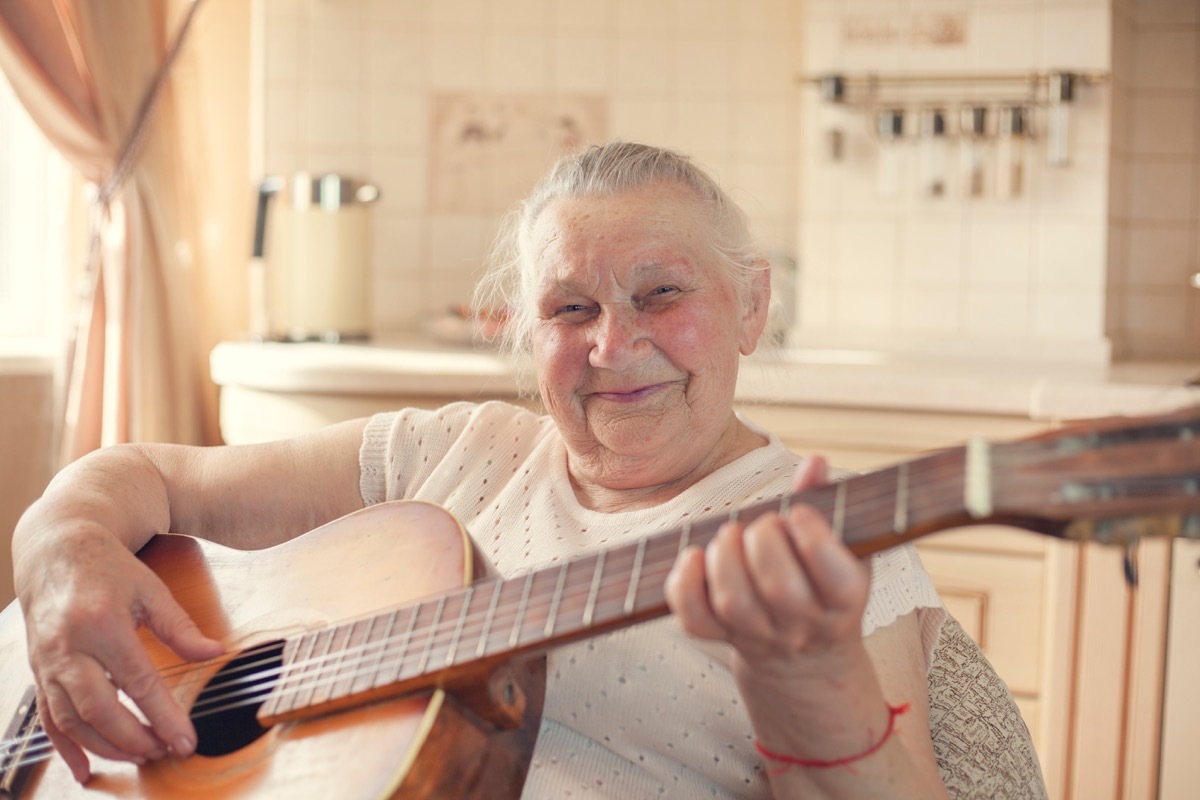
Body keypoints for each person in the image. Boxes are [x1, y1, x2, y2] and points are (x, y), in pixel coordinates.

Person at [12, 141, 1042, 798]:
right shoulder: (449, 453)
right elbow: (146, 472)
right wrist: (61, 545)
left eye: (660, 293)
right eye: (571, 308)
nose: (613, 344)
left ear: (753, 307)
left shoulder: (824, 542)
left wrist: (813, 683)